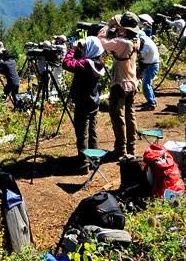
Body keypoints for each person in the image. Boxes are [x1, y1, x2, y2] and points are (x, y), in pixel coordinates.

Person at [98, 12, 140, 159]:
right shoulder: (136, 39)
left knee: (117, 116)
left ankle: (120, 149)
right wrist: (119, 30)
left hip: (119, 84)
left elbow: (100, 43)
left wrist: (108, 26)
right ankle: (131, 147)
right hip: (132, 83)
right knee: (130, 115)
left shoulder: (121, 42)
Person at [61, 37, 105, 174]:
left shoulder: (86, 64)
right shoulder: (96, 62)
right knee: (92, 132)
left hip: (83, 102)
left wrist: (71, 50)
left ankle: (83, 164)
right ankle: (95, 158)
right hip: (93, 102)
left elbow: (66, 64)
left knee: (82, 133)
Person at [138, 31, 160, 111]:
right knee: (148, 85)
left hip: (151, 66)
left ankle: (151, 104)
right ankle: (152, 100)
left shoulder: (147, 45)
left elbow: (140, 55)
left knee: (146, 85)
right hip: (152, 65)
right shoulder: (149, 41)